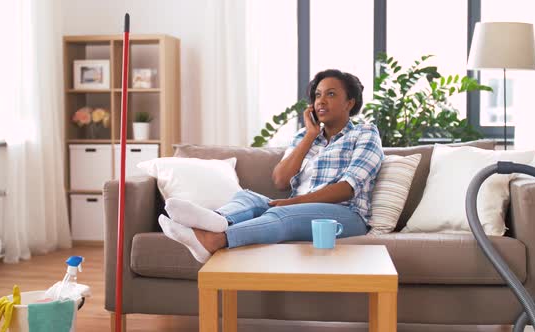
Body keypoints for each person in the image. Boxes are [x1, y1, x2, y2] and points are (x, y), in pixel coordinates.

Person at [159, 69, 384, 263]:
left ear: (350, 103)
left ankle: (213, 239)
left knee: (282, 214)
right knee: (247, 198)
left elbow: (346, 188)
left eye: (331, 94)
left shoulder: (364, 134)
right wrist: (309, 136)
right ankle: (217, 220)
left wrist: (293, 203)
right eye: (317, 95)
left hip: (347, 214)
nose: (321, 101)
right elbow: (280, 180)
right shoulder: (303, 138)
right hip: (296, 205)